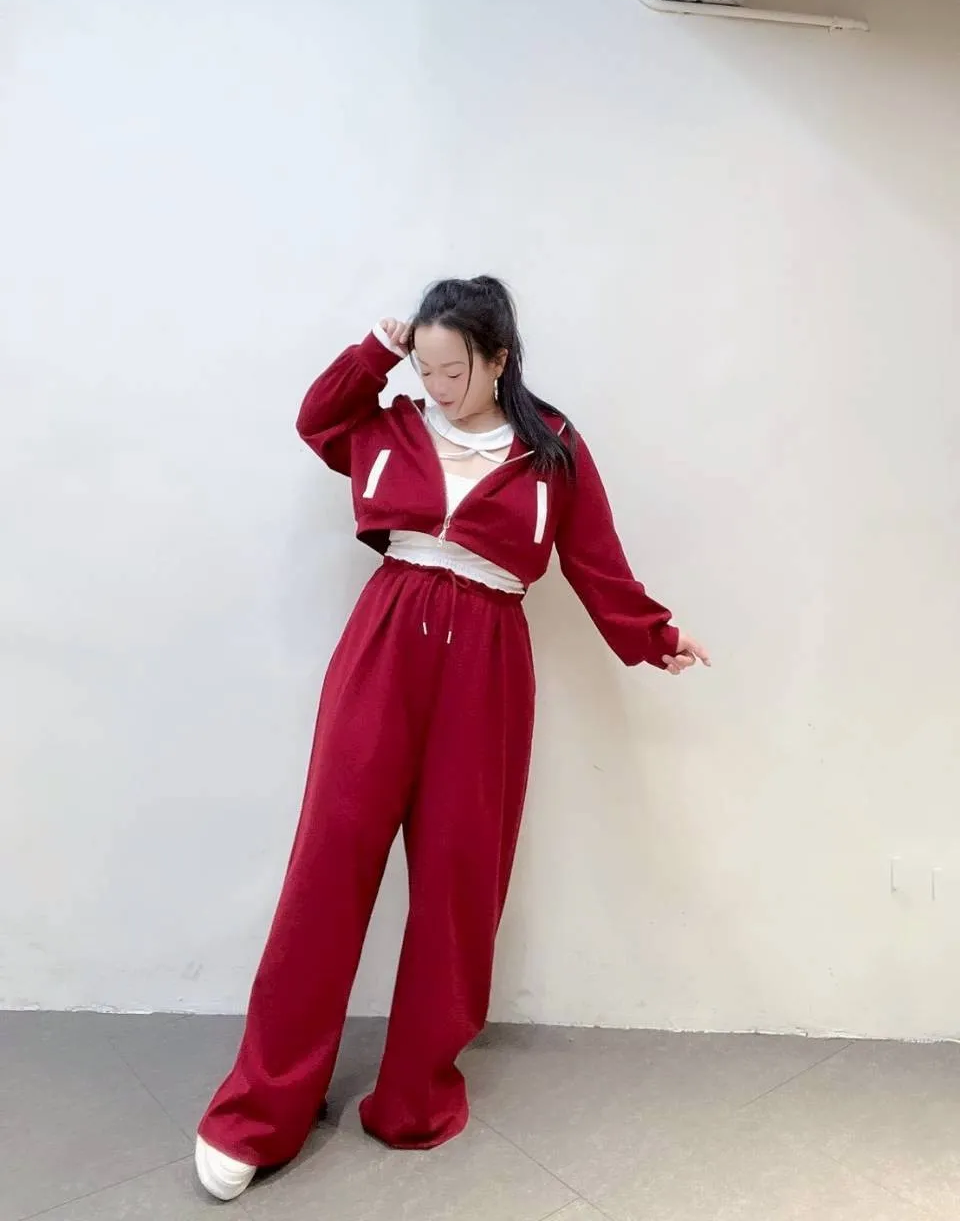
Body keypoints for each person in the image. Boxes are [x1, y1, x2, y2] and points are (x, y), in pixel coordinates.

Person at [194, 276, 709, 1201]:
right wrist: (373, 353)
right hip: (385, 640)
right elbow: (317, 421)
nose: (435, 386)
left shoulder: (552, 447)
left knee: (460, 879)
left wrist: (653, 634)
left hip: (490, 661)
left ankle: (416, 1093)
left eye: (453, 371)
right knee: (327, 866)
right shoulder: (389, 426)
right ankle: (261, 1109)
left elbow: (594, 558)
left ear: (499, 359)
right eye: (424, 368)